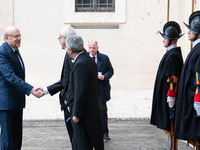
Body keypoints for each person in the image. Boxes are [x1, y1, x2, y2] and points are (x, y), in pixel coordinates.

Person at [0, 26, 43, 150]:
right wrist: (30, 89)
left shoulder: (14, 50)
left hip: (17, 102)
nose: (19, 38)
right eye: (16, 36)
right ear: (7, 38)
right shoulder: (2, 52)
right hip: (6, 103)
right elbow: (10, 76)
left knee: (17, 138)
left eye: (20, 35)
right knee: (7, 140)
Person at [65, 35, 104, 150]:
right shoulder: (87, 59)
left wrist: (76, 113)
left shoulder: (80, 63)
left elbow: (80, 91)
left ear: (70, 50)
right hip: (89, 110)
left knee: (83, 143)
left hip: (83, 113)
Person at [150, 21, 184, 150]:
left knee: (172, 125)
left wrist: (171, 96)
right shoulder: (171, 53)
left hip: (170, 97)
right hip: (167, 95)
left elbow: (172, 78)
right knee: (170, 125)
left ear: (170, 40)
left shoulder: (173, 55)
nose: (163, 40)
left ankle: (173, 148)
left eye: (165, 38)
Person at [41, 26, 76, 147]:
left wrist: (45, 90)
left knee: (76, 138)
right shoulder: (70, 53)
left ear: (65, 39)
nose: (59, 41)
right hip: (69, 102)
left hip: (71, 103)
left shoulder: (71, 55)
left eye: (60, 38)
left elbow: (65, 81)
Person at [174, 11, 200, 150]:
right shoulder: (196, 49)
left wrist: (198, 100)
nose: (188, 32)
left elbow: (199, 78)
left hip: (195, 104)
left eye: (191, 29)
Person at [88, 40, 114, 141]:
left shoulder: (104, 58)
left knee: (102, 111)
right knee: (89, 112)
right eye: (90, 48)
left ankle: (104, 133)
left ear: (97, 48)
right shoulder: (85, 58)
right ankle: (91, 133)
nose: (92, 50)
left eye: (93, 48)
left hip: (101, 89)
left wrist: (104, 76)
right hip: (89, 90)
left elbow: (111, 71)